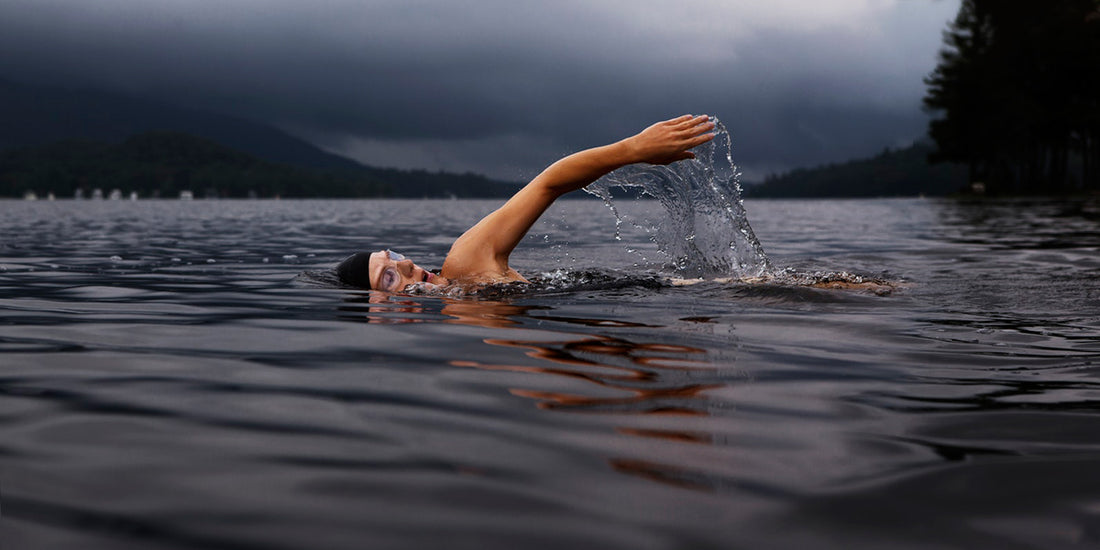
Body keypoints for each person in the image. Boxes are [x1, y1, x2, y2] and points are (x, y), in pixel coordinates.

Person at [337, 114, 716, 292]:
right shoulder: (462, 324)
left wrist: (633, 149)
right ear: (379, 311)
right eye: (388, 277)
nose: (406, 263)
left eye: (394, 256)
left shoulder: (465, 264)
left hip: (691, 291)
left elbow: (548, 184)